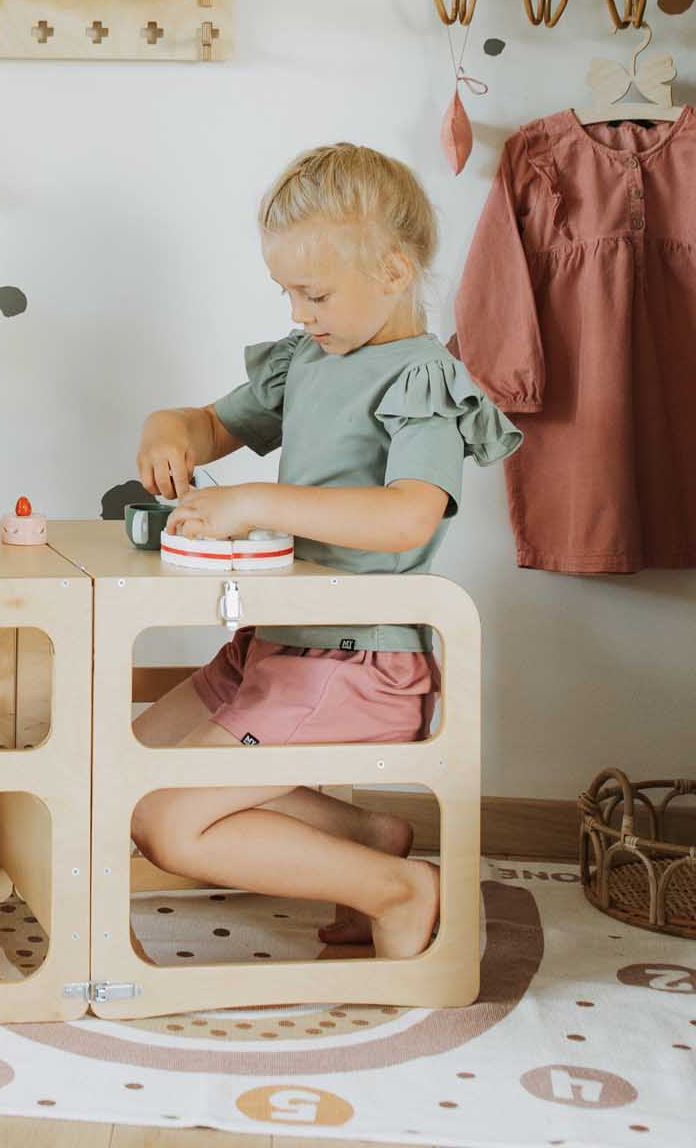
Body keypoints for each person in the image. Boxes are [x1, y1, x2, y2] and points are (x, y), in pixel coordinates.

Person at [130, 143, 519, 958]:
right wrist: (169, 426)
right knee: (130, 767)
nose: (300, 315)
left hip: (358, 662)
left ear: (393, 270)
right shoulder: (307, 361)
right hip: (281, 643)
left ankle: (401, 888)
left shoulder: (421, 379)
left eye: (314, 293)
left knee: (169, 823)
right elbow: (209, 424)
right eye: (287, 295)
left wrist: (258, 500)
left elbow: (408, 517)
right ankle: (368, 839)